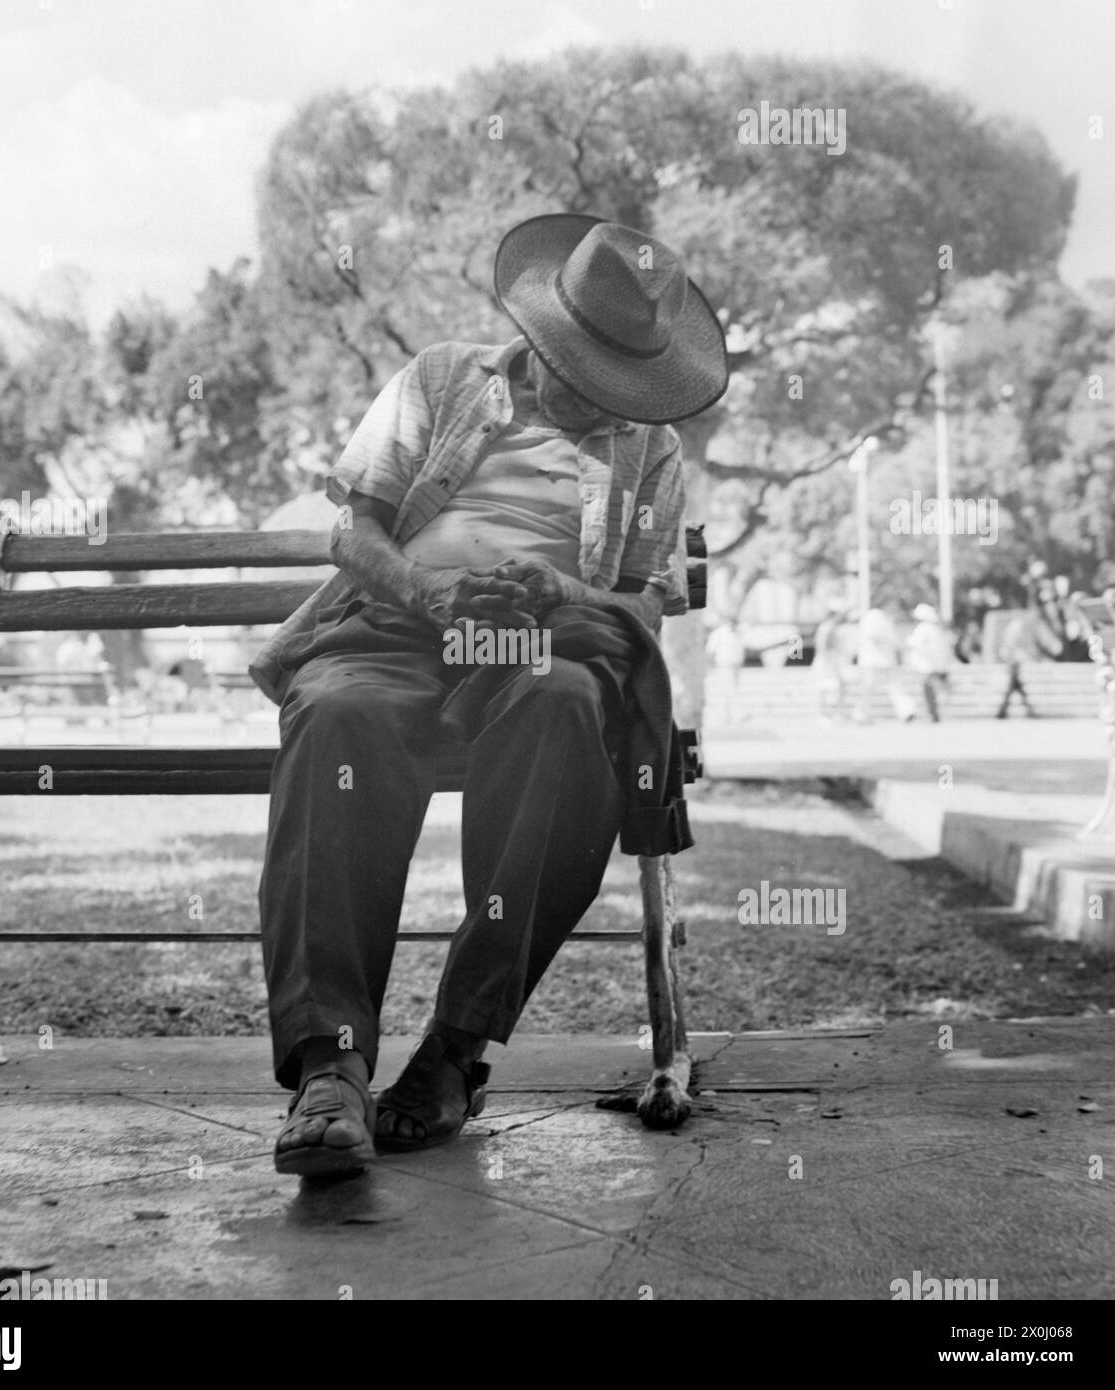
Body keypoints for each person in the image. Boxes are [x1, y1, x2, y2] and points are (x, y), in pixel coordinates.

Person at [248, 214, 729, 1176]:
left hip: (540, 645)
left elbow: (639, 603)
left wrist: (566, 594)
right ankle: (329, 1069)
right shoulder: (436, 381)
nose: (607, 407)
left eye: (625, 390)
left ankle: (457, 1050)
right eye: (589, 382)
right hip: (397, 627)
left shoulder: (651, 451)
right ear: (544, 342)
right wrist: (430, 590)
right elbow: (355, 536)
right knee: (338, 716)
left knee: (565, 712)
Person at [995, 608, 1057, 718]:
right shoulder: (1018, 626)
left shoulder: (1015, 626)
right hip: (1014, 660)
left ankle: (1006, 711)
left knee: (1015, 685)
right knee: (1014, 685)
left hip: (1013, 660)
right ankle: (1007, 711)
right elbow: (1013, 645)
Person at [854, 606, 910, 722]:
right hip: (877, 660)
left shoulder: (879, 620)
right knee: (872, 688)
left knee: (876, 687)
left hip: (879, 660)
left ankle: (905, 711)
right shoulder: (878, 619)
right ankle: (862, 714)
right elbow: (876, 638)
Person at [906, 603, 956, 722]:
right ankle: (933, 713)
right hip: (935, 665)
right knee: (932, 690)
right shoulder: (936, 629)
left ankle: (932, 713)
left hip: (926, 665)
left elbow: (917, 645)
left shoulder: (922, 629)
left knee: (928, 690)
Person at [811, 602, 851, 724]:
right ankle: (824, 715)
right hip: (827, 661)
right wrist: (828, 661)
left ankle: (832, 714)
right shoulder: (827, 627)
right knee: (826, 688)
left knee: (833, 688)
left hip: (830, 661)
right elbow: (822, 646)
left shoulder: (829, 626)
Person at [705, 617, 746, 724]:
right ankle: (735, 716)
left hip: (735, 666)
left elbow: (740, 650)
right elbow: (711, 650)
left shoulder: (737, 633)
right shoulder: (719, 634)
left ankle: (728, 716)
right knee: (730, 691)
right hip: (724, 665)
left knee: (730, 691)